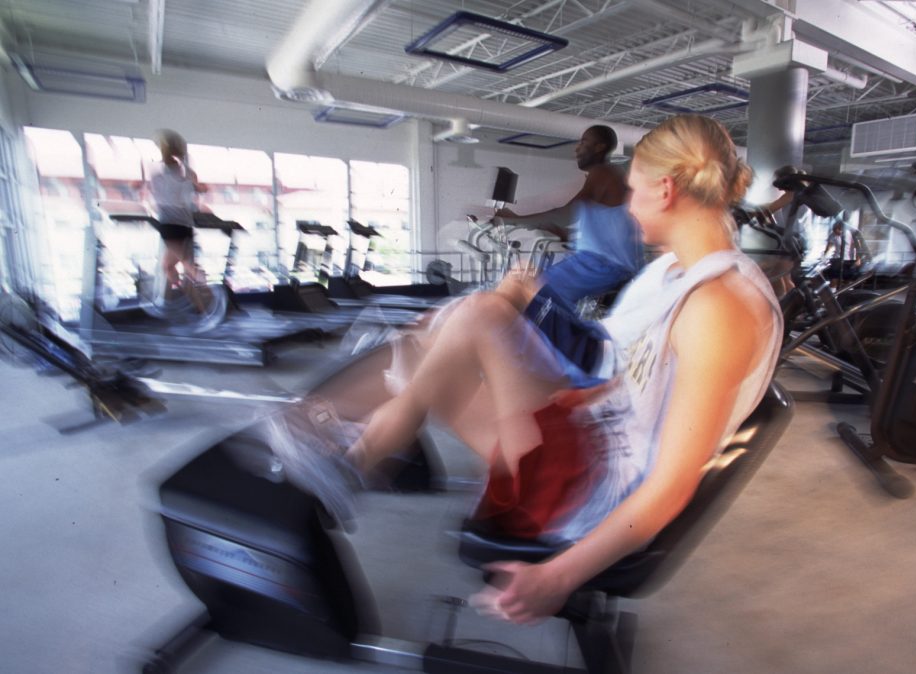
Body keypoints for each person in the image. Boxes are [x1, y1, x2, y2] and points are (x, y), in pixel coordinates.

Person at [269, 114, 783, 624]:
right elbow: (601, 356)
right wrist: (528, 301)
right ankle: (353, 449)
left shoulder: (719, 308)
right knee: (459, 321)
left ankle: (359, 452)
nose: (628, 205)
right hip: (591, 428)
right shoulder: (674, 271)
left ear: (665, 190)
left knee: (472, 316)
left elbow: (671, 486)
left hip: (595, 487)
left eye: (633, 191)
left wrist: (556, 578)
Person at [496, 125, 644, 306]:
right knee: (532, 289)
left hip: (603, 266)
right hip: (604, 264)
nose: (577, 148)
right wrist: (562, 233)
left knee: (531, 294)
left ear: (599, 147)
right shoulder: (606, 176)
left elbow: (565, 214)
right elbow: (607, 233)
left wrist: (512, 220)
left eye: (583, 142)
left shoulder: (603, 173)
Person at [148, 129, 207, 293]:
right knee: (167, 266)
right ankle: (181, 292)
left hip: (170, 224)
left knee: (187, 265)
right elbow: (202, 189)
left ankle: (212, 295)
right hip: (183, 224)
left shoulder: (158, 174)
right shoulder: (188, 173)